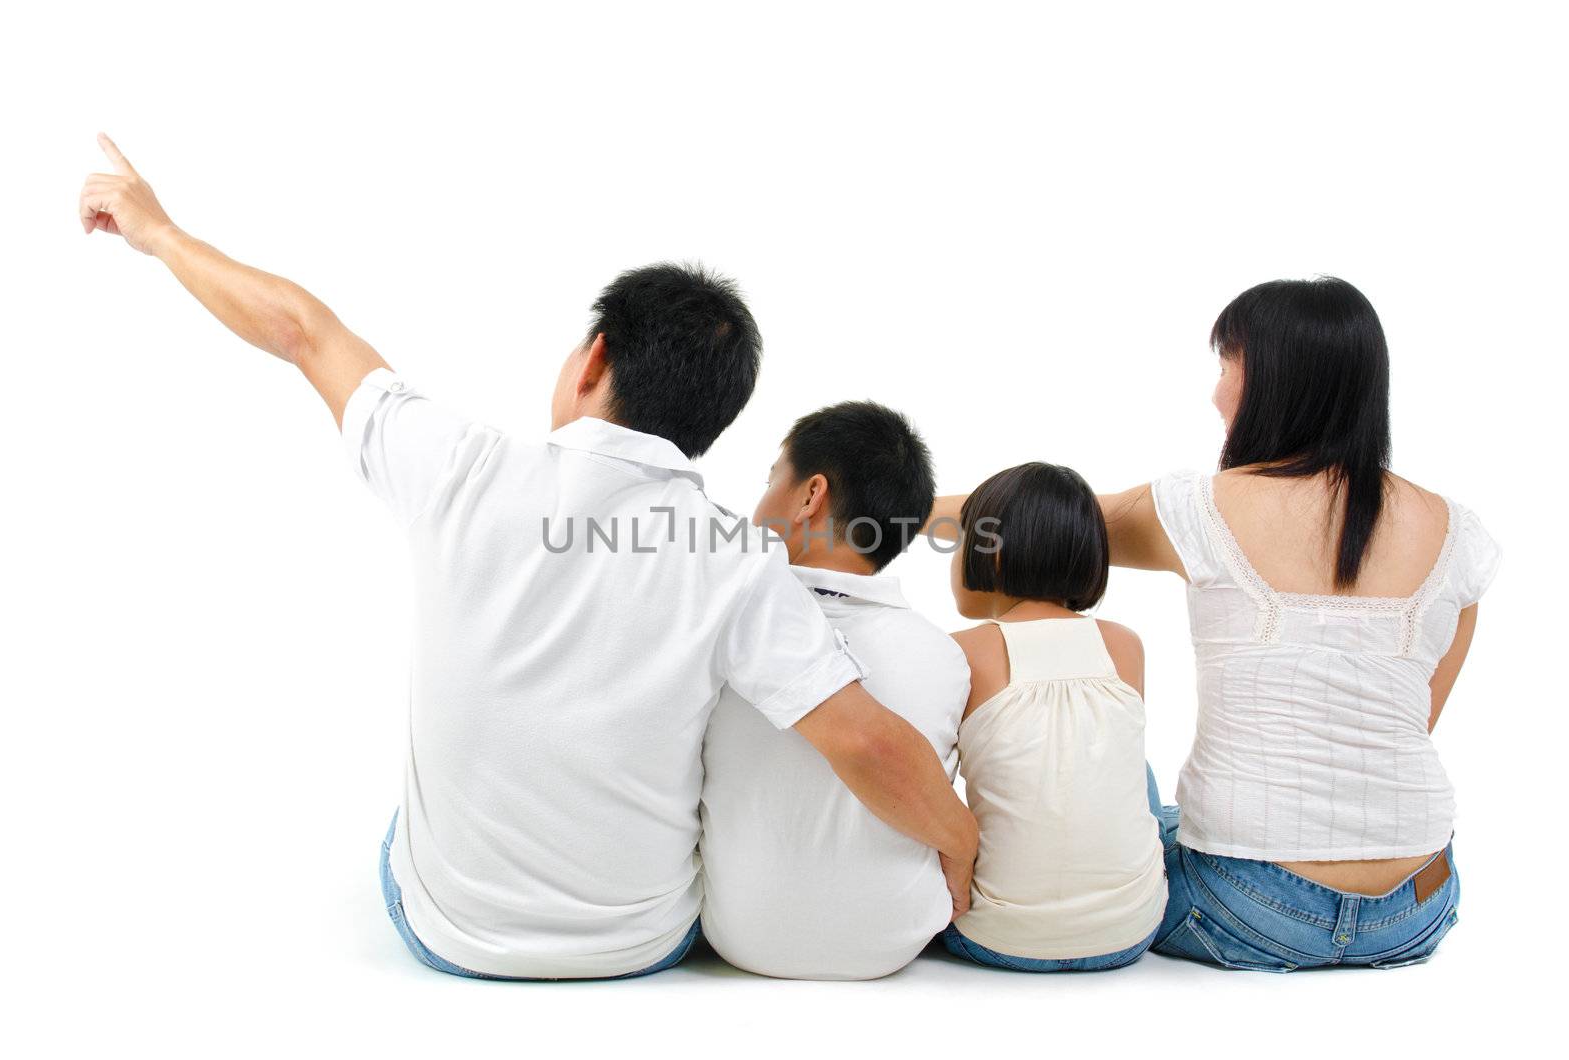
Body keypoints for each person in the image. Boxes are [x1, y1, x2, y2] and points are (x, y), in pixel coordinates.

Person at [79, 134, 978, 980]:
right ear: (712, 423)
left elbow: (301, 330)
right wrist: (961, 843)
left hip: (449, 935)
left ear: (592, 360)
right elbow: (863, 741)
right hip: (640, 945)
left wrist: (156, 232)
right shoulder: (737, 561)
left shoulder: (457, 466)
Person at [932, 276, 1498, 970]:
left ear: (1273, 378)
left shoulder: (1202, 511)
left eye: (1228, 364)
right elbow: (1415, 720)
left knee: (1105, 786)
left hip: (1248, 903)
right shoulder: (1461, 537)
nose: (1217, 391)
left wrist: (860, 516)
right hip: (1416, 904)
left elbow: (1022, 519)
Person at [700, 402, 969, 980]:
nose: (761, 500)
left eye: (773, 478)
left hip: (735, 937)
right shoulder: (945, 656)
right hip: (894, 946)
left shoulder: (716, 632)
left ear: (810, 494)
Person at [937, 463, 1167, 972]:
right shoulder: (1124, 645)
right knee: (1135, 775)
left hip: (994, 936)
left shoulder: (960, 653)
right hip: (1129, 933)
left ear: (990, 554)